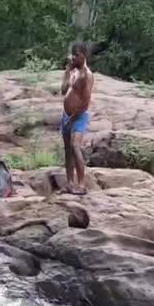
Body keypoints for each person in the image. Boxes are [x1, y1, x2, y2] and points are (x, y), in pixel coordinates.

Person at [60, 42, 94, 195]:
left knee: (75, 147)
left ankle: (81, 183)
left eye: (77, 55)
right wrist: (67, 71)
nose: (74, 57)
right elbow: (63, 90)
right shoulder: (73, 72)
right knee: (68, 149)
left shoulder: (87, 74)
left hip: (78, 116)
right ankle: (69, 182)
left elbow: (85, 101)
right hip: (66, 115)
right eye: (73, 54)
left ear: (83, 55)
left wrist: (74, 117)